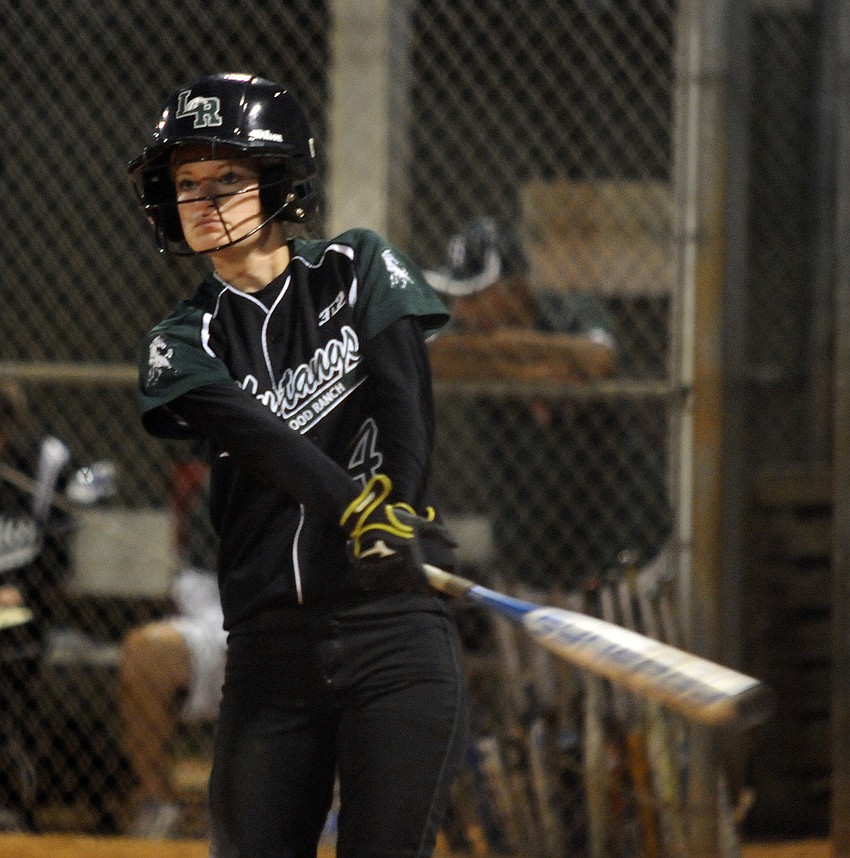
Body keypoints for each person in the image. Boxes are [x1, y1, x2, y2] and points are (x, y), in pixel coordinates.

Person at [127, 73, 468, 858]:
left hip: (394, 637)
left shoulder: (359, 267)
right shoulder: (178, 342)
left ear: (279, 180)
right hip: (270, 654)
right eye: (185, 183)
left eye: (229, 177)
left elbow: (404, 402)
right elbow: (262, 441)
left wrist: (400, 509)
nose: (204, 199)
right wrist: (357, 508)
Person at [119, 467, 226, 840]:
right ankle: (158, 803)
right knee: (143, 651)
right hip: (213, 611)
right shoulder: (217, 471)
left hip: (291, 612)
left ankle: (327, 807)